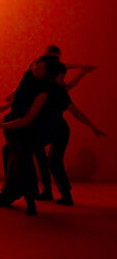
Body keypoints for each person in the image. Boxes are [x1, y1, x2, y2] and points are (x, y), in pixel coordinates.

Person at [0, 55, 61, 215]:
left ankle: (28, 201)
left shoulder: (44, 91)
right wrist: (5, 108)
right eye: (36, 65)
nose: (35, 69)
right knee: (14, 163)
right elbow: (19, 96)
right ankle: (8, 197)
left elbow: (27, 119)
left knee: (22, 164)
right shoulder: (28, 77)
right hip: (13, 127)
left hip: (26, 130)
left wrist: (1, 125)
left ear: (47, 73)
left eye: (40, 68)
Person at [34, 62, 106, 205]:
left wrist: (92, 126)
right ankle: (56, 193)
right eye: (61, 78)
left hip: (59, 131)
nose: (64, 81)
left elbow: (76, 112)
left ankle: (65, 195)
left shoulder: (58, 91)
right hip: (52, 129)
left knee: (54, 162)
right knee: (50, 161)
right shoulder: (46, 88)